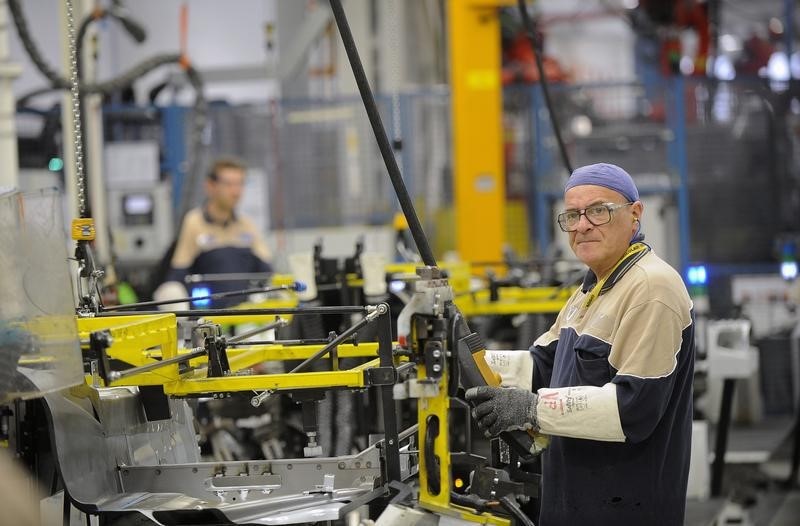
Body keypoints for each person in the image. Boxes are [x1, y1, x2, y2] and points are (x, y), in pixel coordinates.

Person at [466, 163, 695, 526]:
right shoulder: (592, 288)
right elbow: (541, 365)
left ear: (635, 214)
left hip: (624, 509)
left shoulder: (652, 288)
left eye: (598, 211)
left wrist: (530, 409)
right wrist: (460, 359)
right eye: (572, 214)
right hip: (574, 501)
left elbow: (633, 408)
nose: (582, 224)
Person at [155, 156, 273, 308]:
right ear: (210, 186)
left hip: (245, 314)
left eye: (240, 184)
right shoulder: (194, 222)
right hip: (207, 316)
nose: (236, 191)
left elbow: (268, 271)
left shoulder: (247, 225)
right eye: (229, 184)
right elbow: (178, 273)